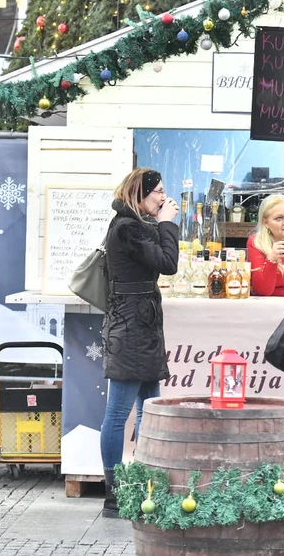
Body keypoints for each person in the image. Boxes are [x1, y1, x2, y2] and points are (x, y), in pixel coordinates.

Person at [100, 167, 179, 516]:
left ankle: (147, 486)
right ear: (140, 193)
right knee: (119, 413)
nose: (163, 197)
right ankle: (113, 493)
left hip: (140, 324)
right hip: (131, 326)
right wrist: (168, 224)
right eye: (157, 191)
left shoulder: (132, 225)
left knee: (150, 408)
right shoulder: (128, 227)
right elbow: (168, 262)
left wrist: (161, 225)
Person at [247, 194, 284, 296]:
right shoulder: (256, 243)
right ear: (265, 222)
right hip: (269, 308)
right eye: (278, 218)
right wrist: (272, 259)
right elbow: (262, 291)